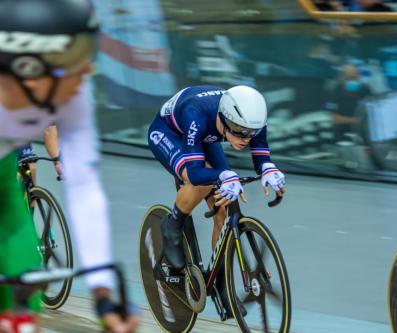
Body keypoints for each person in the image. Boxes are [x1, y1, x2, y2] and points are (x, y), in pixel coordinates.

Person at [0, 0, 138, 332]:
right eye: (74, 60)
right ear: (28, 68)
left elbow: (85, 187)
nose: (87, 72)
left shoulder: (72, 91)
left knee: (25, 284)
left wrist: (103, 295)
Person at [147, 85, 286, 316]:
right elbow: (193, 172)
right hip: (170, 133)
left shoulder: (252, 117)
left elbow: (260, 151)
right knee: (201, 182)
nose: (245, 138)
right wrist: (222, 175)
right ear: (224, 118)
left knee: (226, 209)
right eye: (240, 131)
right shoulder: (197, 113)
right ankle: (172, 224)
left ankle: (221, 284)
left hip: (206, 136)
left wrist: (269, 169)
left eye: (251, 132)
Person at [326, 64, 371, 140]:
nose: (353, 81)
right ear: (343, 78)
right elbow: (333, 118)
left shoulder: (365, 89)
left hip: (365, 133)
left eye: (356, 77)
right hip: (344, 134)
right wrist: (356, 121)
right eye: (350, 78)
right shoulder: (335, 92)